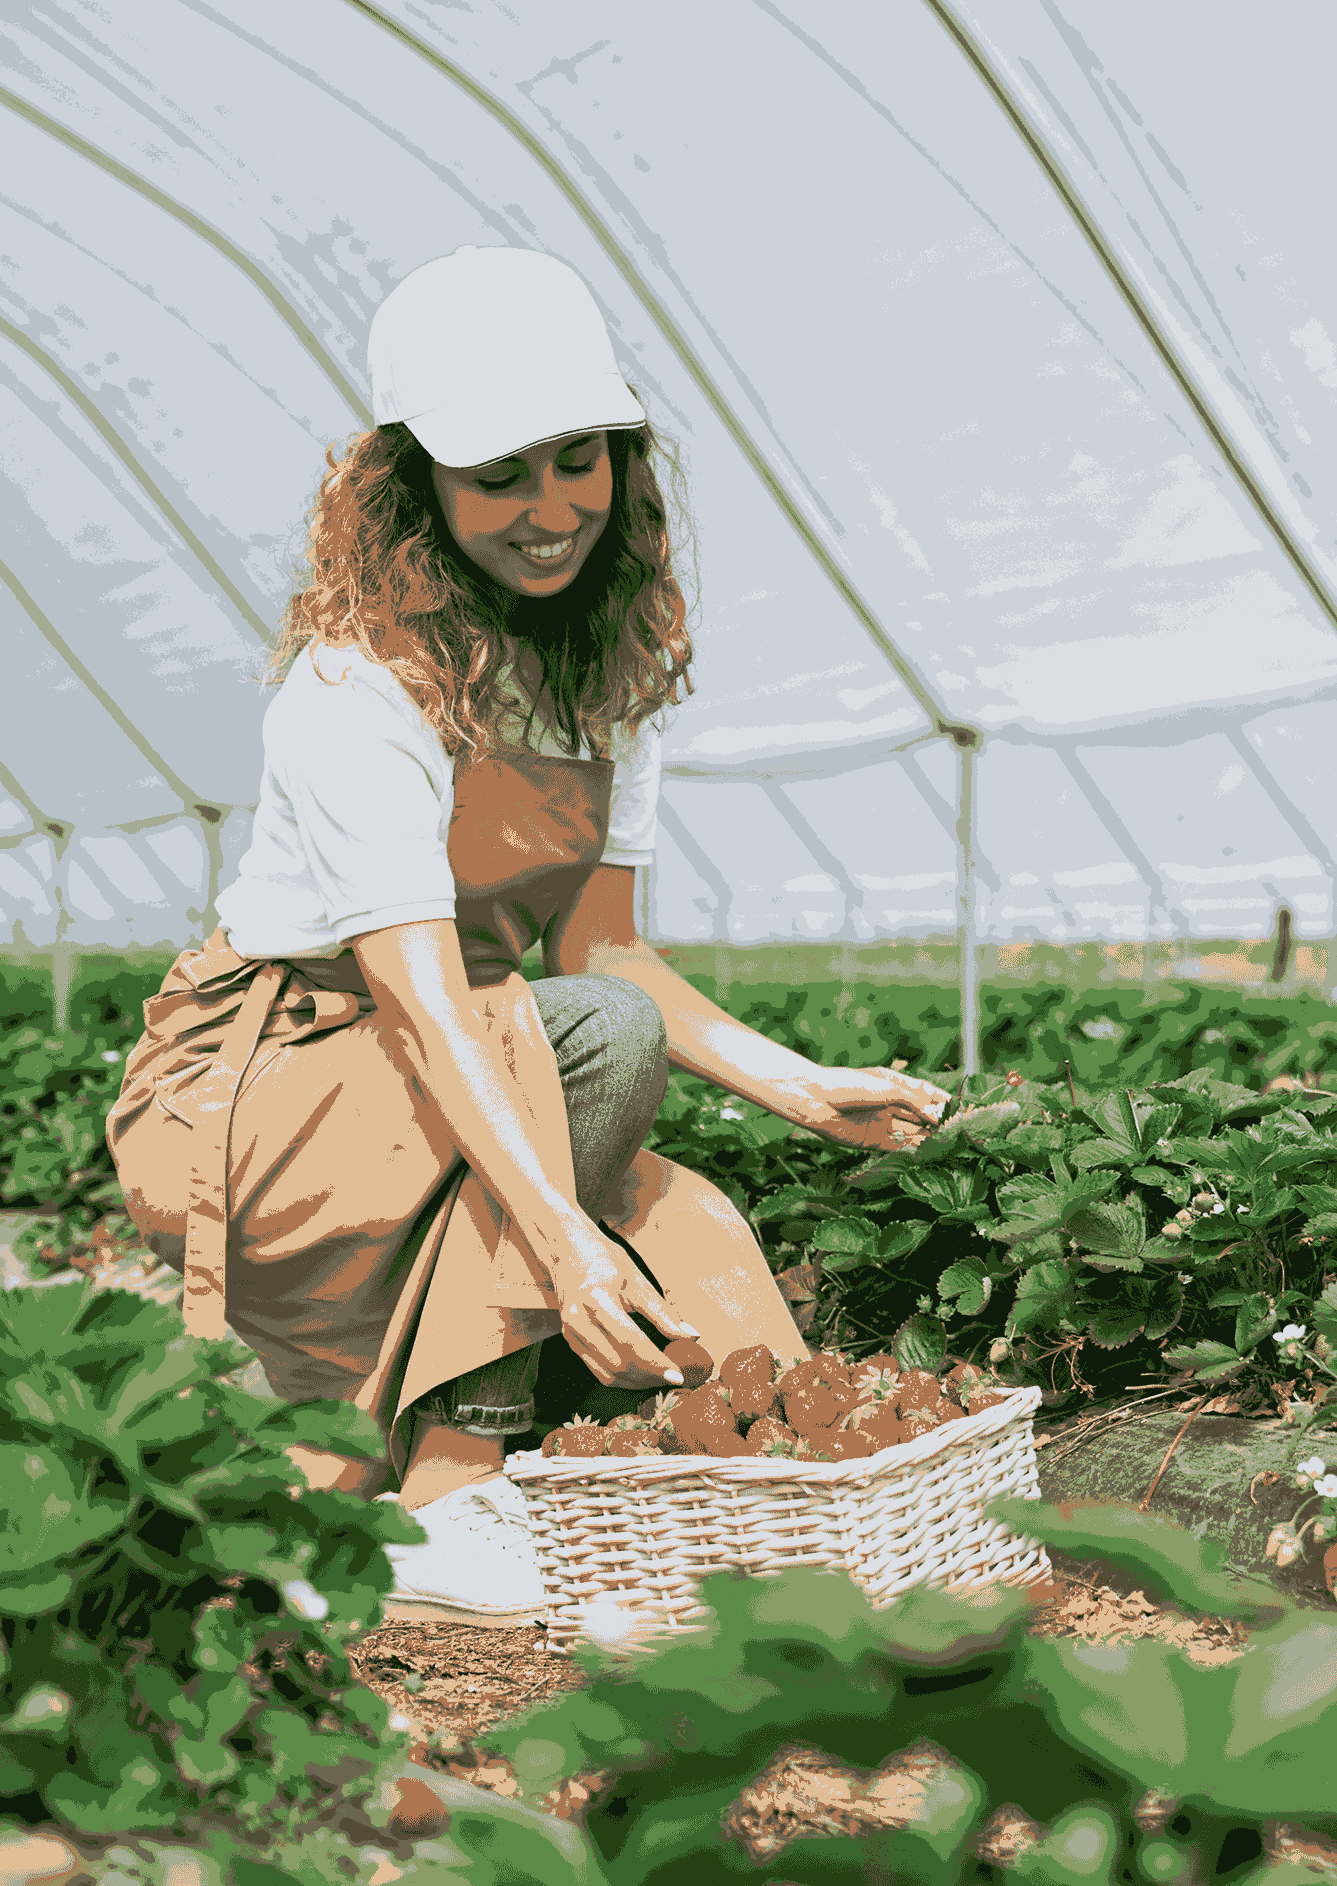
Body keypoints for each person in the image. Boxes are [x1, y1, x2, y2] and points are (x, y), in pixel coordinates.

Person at [105, 245, 947, 1621]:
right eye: (500, 475)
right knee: (591, 1108)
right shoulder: (356, 685)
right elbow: (432, 1003)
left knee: (699, 1244)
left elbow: (603, 950)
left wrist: (798, 1083)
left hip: (479, 1066)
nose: (550, 509)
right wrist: (559, 1243)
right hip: (263, 1092)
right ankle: (451, 1491)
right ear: (413, 486)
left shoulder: (611, 674)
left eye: (578, 460)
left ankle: (738, 1514)